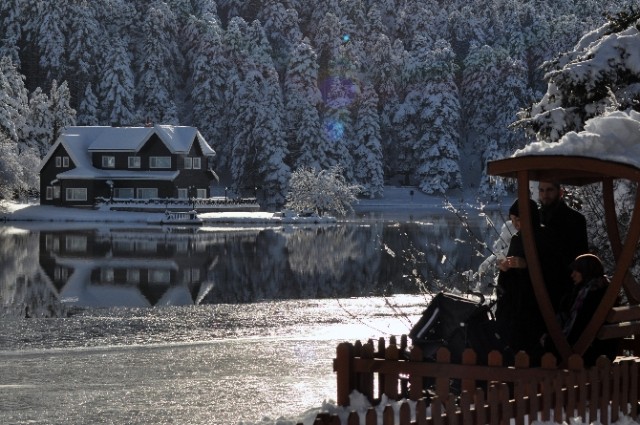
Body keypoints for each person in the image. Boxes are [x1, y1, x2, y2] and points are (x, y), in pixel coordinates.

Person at [495, 198, 567, 361]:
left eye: (519, 219)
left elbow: (554, 272)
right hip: (517, 303)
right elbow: (509, 279)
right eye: (513, 220)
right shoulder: (517, 239)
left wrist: (526, 265)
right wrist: (506, 269)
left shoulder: (546, 237)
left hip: (539, 305)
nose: (515, 224)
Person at [559, 254, 618, 366]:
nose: (572, 275)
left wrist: (551, 343)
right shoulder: (605, 290)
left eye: (577, 271)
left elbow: (579, 327)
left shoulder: (591, 295)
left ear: (586, 271)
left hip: (590, 353)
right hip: (605, 350)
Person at [538, 181, 589, 263]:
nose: (545, 195)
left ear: (560, 192)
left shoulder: (575, 219)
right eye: (541, 190)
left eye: (549, 190)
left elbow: (581, 256)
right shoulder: (534, 217)